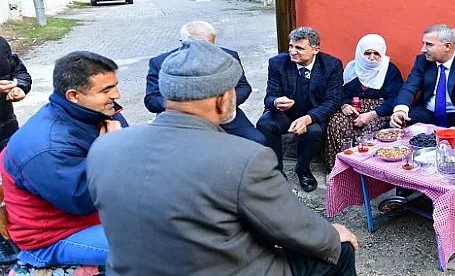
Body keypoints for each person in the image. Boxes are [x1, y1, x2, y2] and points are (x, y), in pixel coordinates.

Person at [87, 39, 358, 275]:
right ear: (223, 99)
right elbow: (292, 228)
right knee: (340, 249)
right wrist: (334, 236)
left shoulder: (104, 146)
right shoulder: (246, 158)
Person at [0, 51, 127, 267]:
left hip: (95, 218)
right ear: (73, 96)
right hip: (54, 238)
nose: (117, 95)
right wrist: (110, 149)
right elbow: (84, 201)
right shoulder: (46, 146)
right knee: (154, 248)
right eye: (106, 90)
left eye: (114, 85)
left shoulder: (97, 111)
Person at [144, 21, 266, 144]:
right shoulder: (160, 62)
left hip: (223, 115)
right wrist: (187, 107)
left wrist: (224, 104)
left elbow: (243, 87)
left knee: (258, 140)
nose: (204, 52)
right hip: (179, 121)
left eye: (209, 46)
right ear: (183, 42)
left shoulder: (227, 56)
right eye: (199, 46)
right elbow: (151, 99)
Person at [257, 27, 343, 192]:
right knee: (265, 124)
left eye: (299, 48)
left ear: (316, 49)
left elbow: (332, 101)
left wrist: (308, 118)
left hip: (313, 114)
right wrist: (276, 102)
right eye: (291, 46)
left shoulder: (332, 65)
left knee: (312, 131)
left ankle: (303, 170)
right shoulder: (277, 63)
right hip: (285, 113)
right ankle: (276, 171)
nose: (292, 51)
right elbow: (269, 97)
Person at [389, 24, 455, 131]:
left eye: (429, 45)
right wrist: (400, 111)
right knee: (402, 120)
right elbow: (410, 87)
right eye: (423, 44)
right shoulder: (422, 61)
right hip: (428, 113)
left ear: (447, 46)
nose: (423, 49)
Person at [324, 34, 403, 170]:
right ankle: (339, 167)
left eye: (376, 53)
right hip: (353, 107)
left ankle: (366, 171)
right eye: (367, 53)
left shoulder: (389, 70)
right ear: (360, 53)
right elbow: (339, 91)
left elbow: (395, 98)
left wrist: (372, 114)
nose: (372, 58)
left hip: (380, 110)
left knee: (369, 130)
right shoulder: (351, 68)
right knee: (336, 124)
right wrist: (344, 104)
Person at [0, 36, 31, 264]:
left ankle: (13, 244)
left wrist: (18, 86)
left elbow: (21, 73)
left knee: (12, 190)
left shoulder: (0, 44)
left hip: (7, 133)